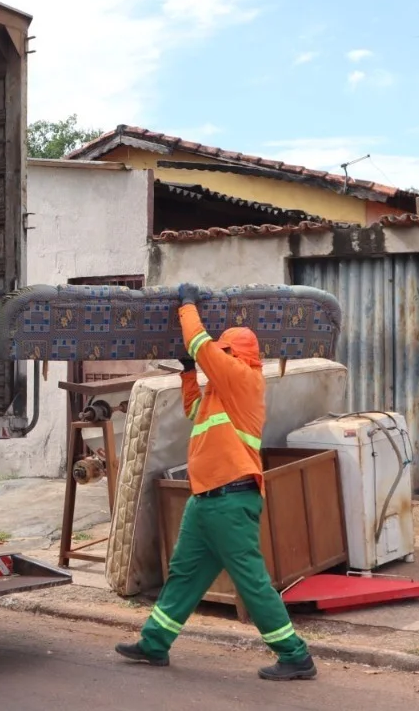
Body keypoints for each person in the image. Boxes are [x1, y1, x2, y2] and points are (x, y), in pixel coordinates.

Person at [115, 282, 317, 681]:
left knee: (252, 582)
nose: (216, 359)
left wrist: (187, 305)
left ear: (235, 356)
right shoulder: (221, 392)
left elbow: (200, 343)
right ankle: (154, 644)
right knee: (185, 575)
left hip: (230, 499)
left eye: (223, 354)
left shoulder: (244, 379)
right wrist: (190, 373)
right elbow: (193, 408)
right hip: (206, 500)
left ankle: (295, 655)